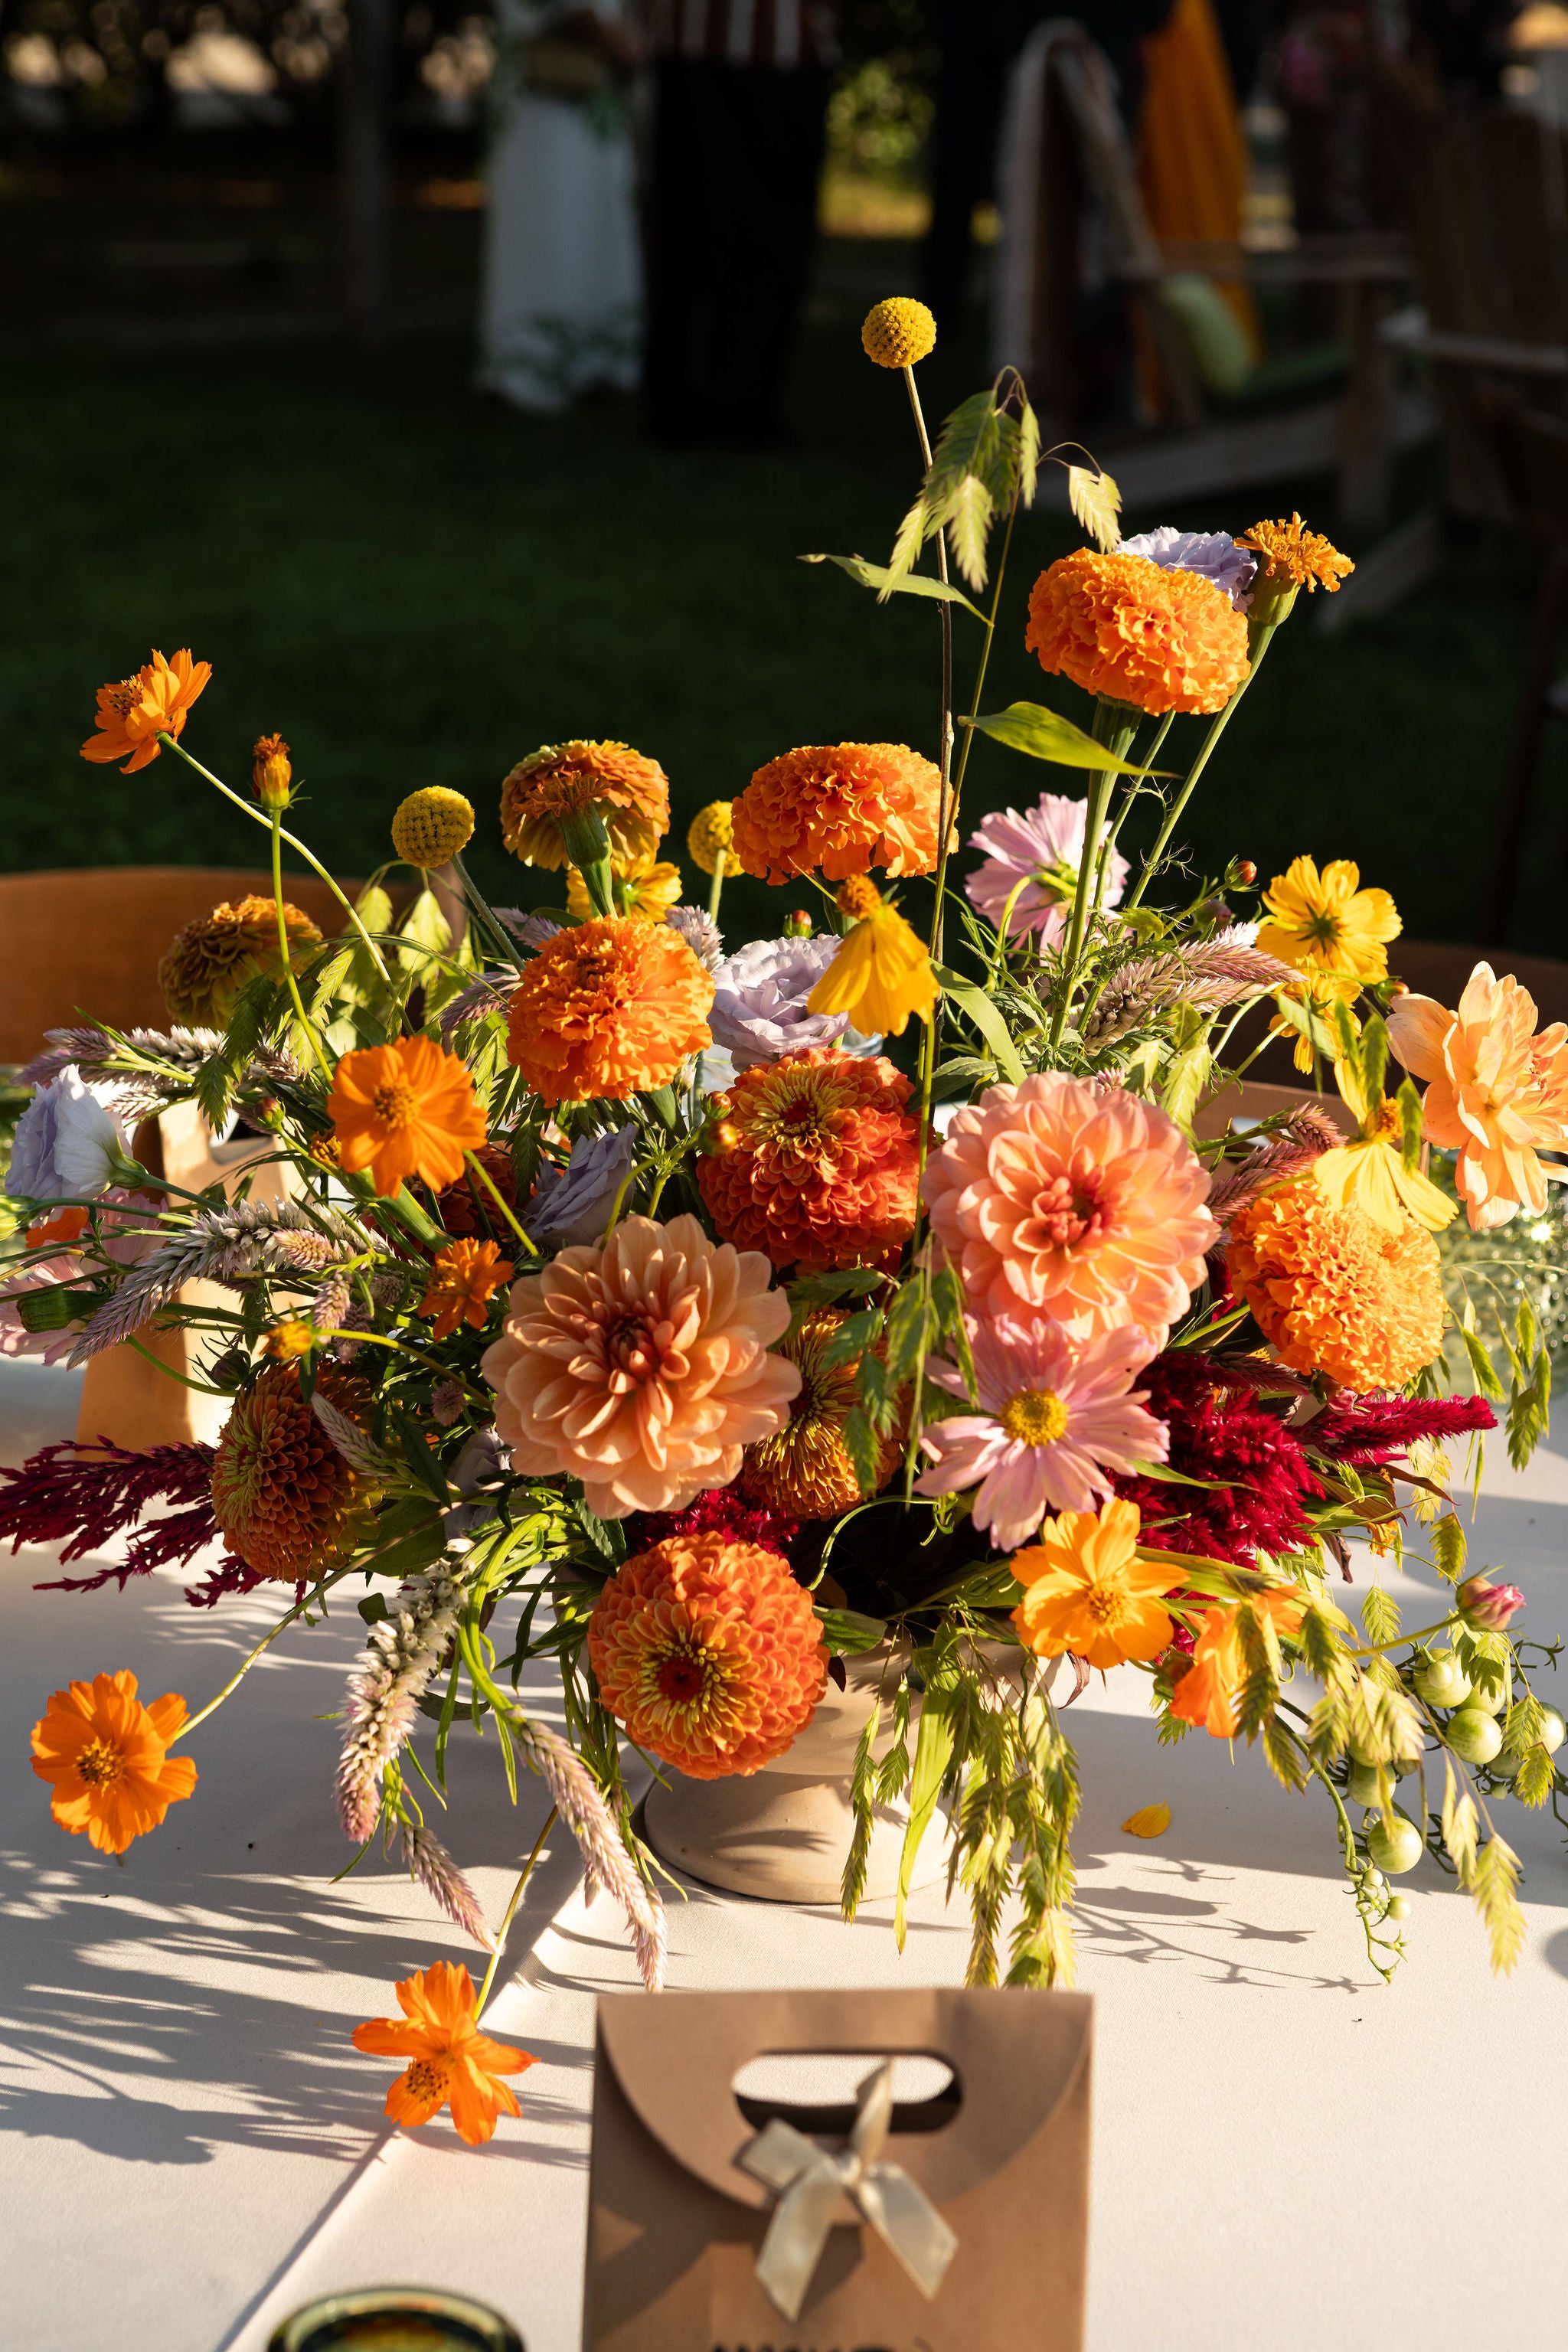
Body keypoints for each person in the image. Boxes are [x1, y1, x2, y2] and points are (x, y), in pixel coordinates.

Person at [641, 2, 839, 447]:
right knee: (704, 236)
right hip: (712, 55)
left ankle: (728, 402)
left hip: (754, 53)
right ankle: (707, 405)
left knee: (724, 237)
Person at [478, 1, 644, 412]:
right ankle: (537, 364)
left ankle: (592, 357)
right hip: (546, 93)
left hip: (590, 92)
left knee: (589, 220)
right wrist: (618, 42)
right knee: (547, 225)